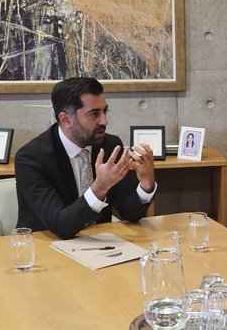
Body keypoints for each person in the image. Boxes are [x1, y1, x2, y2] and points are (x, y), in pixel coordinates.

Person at [15, 77, 157, 239]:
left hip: (99, 245)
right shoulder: (31, 158)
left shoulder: (110, 145)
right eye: (94, 114)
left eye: (105, 111)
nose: (104, 120)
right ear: (66, 120)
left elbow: (129, 213)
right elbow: (60, 225)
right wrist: (99, 188)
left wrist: (146, 184)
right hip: (45, 247)